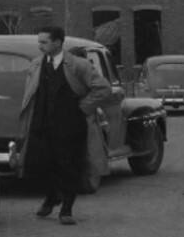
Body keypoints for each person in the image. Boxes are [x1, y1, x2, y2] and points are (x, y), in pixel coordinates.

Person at [18, 26, 115, 226]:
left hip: (70, 124)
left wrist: (83, 108)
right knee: (40, 163)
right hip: (42, 123)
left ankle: (67, 209)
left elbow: (103, 88)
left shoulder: (78, 65)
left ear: (58, 43)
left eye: (44, 42)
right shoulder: (36, 65)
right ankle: (52, 196)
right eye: (39, 42)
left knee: (69, 166)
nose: (40, 46)